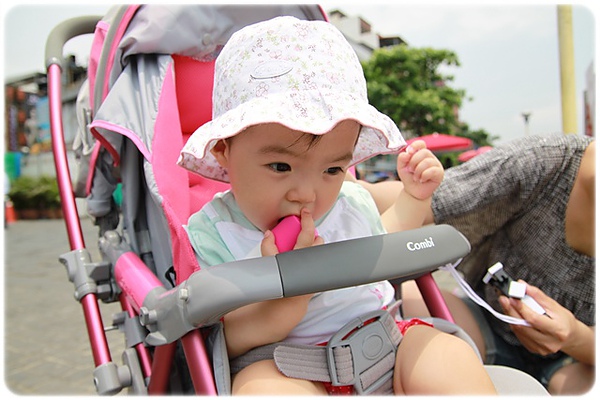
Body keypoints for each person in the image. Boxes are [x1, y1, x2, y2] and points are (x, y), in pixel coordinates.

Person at [178, 16, 496, 395]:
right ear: (223, 150)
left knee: (446, 353)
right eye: (281, 167)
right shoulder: (213, 233)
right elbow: (222, 338)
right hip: (282, 364)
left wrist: (414, 197)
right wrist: (286, 300)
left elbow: (386, 242)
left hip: (385, 343)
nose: (307, 194)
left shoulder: (351, 204)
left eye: (332, 169)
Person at [353, 133, 595, 395]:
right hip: (485, 320)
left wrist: (576, 337)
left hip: (578, 361)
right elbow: (437, 196)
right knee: (402, 308)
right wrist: (345, 183)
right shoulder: (544, 160)